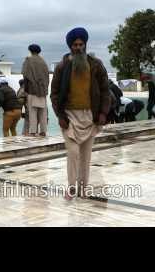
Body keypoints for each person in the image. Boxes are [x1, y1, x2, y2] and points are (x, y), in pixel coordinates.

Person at [50, 27, 115, 200]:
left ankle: (83, 188)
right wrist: (60, 116)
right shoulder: (62, 66)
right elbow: (54, 93)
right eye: (75, 45)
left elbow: (105, 90)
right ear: (70, 46)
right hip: (69, 116)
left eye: (81, 44)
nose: (78, 47)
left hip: (90, 116)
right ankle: (71, 187)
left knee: (86, 155)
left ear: (85, 44)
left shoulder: (96, 65)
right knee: (73, 153)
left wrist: (102, 113)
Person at [21, 44, 50, 137]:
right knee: (43, 113)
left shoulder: (28, 60)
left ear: (30, 50)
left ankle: (33, 132)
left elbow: (25, 75)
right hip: (43, 91)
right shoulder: (43, 61)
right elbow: (47, 77)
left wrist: (26, 89)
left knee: (32, 112)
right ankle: (43, 131)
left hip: (32, 90)